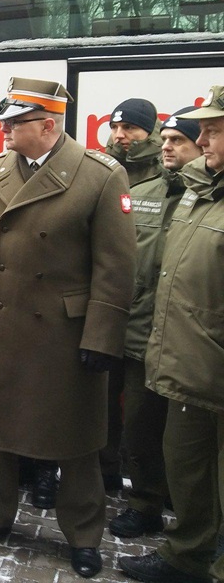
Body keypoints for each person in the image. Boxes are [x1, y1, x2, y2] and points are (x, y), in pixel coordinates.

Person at [0, 77, 135, 579]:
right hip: (3, 320)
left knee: (74, 440)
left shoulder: (99, 175)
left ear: (47, 125)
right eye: (6, 122)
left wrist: (102, 336)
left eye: (15, 123)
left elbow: (115, 268)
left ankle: (82, 534)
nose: (5, 131)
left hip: (65, 332)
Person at [120, 87, 224, 583]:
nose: (202, 140)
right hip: (169, 352)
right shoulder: (189, 197)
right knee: (180, 461)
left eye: (212, 131)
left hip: (209, 360)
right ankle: (185, 552)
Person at [106, 107, 202, 540]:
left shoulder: (203, 200)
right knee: (139, 428)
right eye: (167, 141)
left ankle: (186, 516)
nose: (168, 148)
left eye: (178, 141)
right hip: (136, 331)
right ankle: (144, 505)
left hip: (182, 339)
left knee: (182, 439)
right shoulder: (142, 191)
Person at [107, 98, 164, 187]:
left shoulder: (170, 171)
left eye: (128, 127)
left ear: (151, 132)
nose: (119, 135)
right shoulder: (102, 168)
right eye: (114, 127)